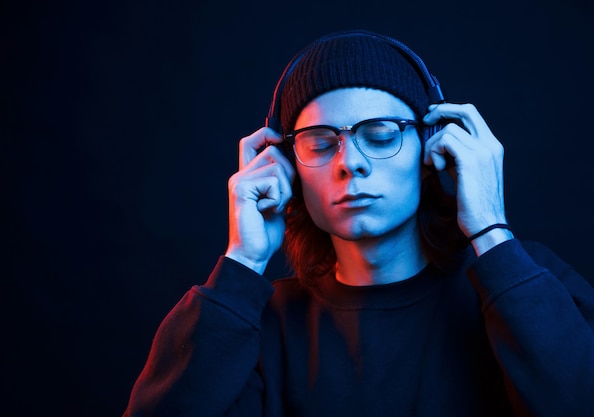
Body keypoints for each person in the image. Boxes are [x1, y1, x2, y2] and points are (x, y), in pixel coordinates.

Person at [122, 30, 594, 417]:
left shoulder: (525, 281)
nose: (352, 164)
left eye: (382, 135)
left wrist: (491, 230)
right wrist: (242, 262)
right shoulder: (262, 324)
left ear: (432, 149)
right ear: (285, 166)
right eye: (320, 143)